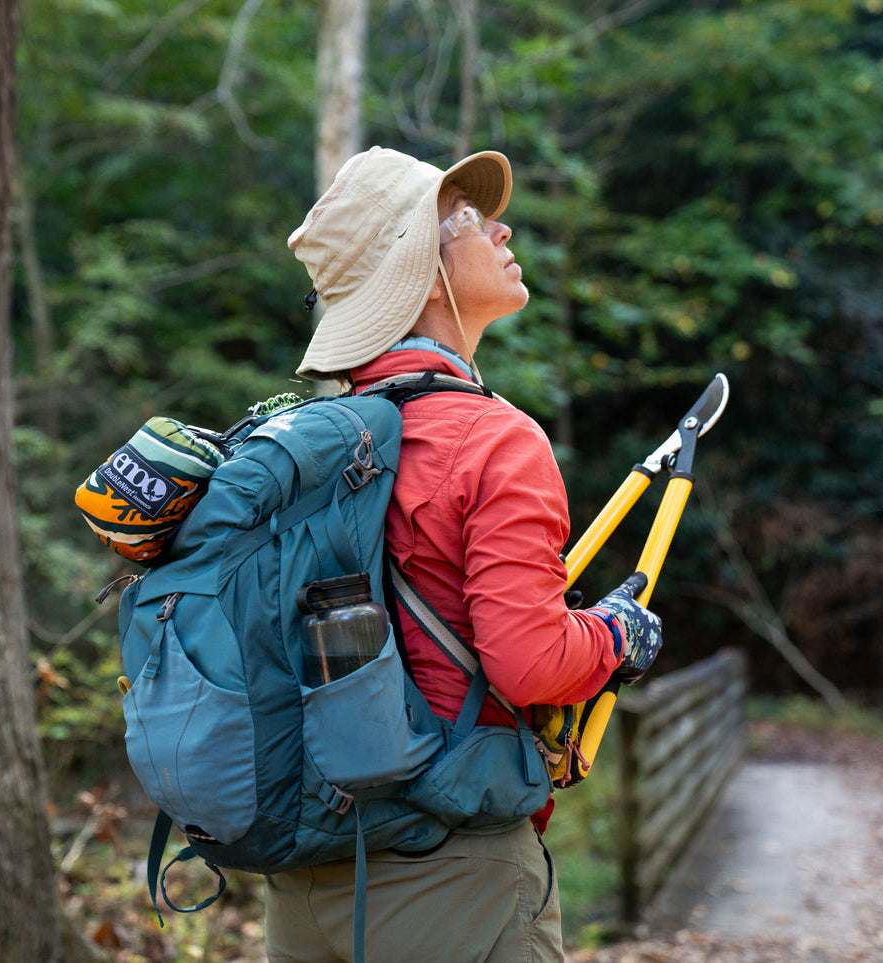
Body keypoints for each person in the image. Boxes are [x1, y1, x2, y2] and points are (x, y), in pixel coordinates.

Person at [264, 146, 665, 962]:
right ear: (423, 272)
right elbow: (528, 661)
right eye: (468, 221)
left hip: (303, 882)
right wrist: (619, 634)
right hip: (450, 880)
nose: (502, 227)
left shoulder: (302, 446)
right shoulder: (493, 439)